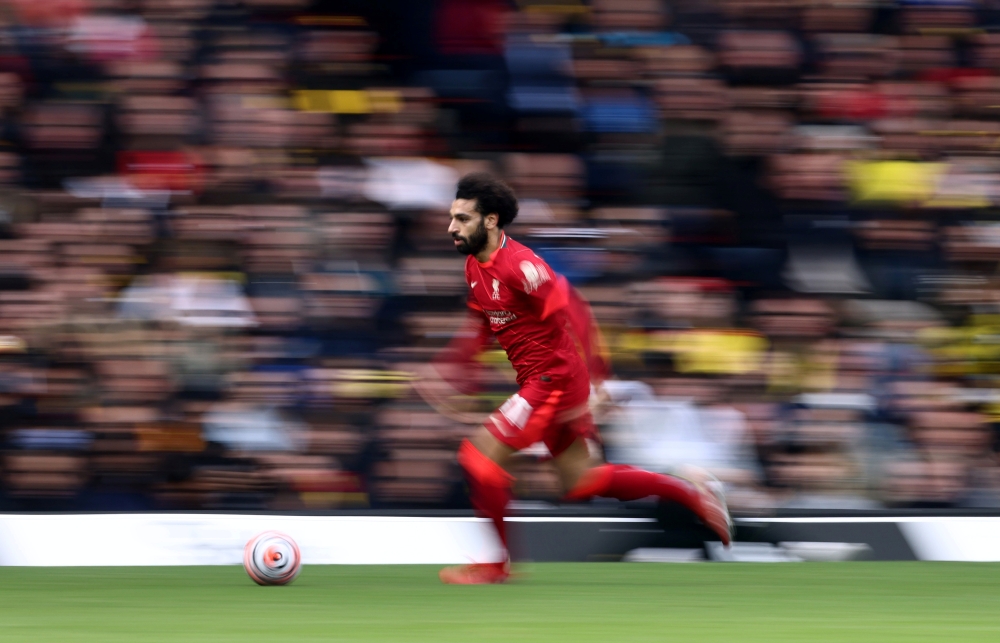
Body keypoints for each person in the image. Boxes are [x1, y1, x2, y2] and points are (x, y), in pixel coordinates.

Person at [416, 173, 732, 584]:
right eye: (452, 218)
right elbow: (481, 324)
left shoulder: (522, 266)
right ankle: (691, 491)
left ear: (491, 220)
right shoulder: (475, 266)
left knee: (479, 458)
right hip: (545, 380)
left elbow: (576, 312)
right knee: (583, 482)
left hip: (553, 381)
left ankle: (496, 565)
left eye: (461, 218)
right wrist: (454, 369)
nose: (451, 227)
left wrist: (599, 383)